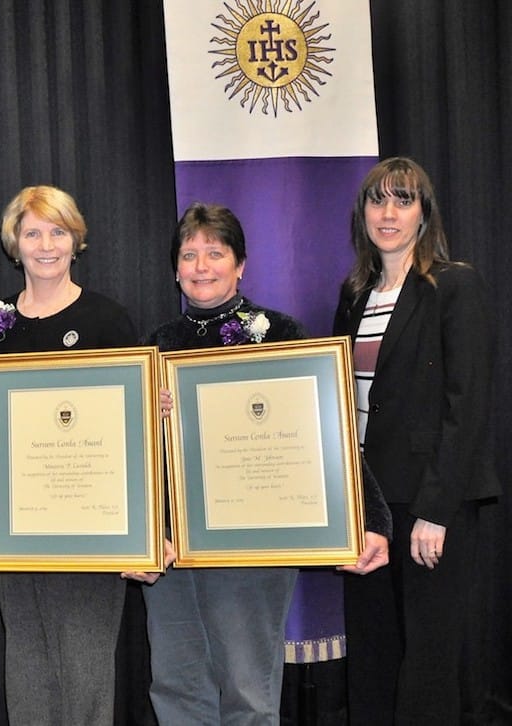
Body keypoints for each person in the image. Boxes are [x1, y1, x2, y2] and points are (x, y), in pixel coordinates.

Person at [138, 202, 391, 724]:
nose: (202, 266)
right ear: (175, 268)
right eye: (189, 254)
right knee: (177, 686)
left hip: (252, 545)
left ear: (241, 264)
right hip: (170, 549)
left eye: (215, 252)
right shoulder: (155, 347)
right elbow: (133, 456)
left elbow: (330, 434)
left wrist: (369, 518)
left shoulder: (278, 332)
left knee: (247, 692)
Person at [0, 185, 137, 724]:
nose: (46, 244)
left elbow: (132, 430)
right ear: (15, 242)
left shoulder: (108, 320)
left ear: (76, 239)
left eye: (57, 231)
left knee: (85, 675)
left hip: (92, 531)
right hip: (14, 529)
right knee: (29, 666)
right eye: (32, 232)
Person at [335, 157, 498, 725]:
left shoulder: (453, 285)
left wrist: (435, 510)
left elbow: (468, 405)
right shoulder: (355, 294)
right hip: (370, 503)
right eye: (378, 201)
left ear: (423, 214)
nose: (388, 212)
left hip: (429, 502)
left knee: (429, 665)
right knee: (375, 658)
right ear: (362, 215)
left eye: (403, 200)